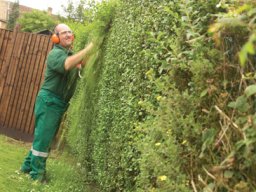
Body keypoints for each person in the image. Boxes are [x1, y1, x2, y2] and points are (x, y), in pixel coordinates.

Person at [20, 23, 93, 182]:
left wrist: (94, 50)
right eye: (63, 33)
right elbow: (67, 65)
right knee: (44, 139)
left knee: (43, 137)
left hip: (57, 103)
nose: (68, 35)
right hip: (49, 101)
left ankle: (26, 167)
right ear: (56, 37)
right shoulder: (55, 54)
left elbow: (80, 62)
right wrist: (88, 48)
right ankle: (37, 175)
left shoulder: (69, 54)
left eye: (70, 32)